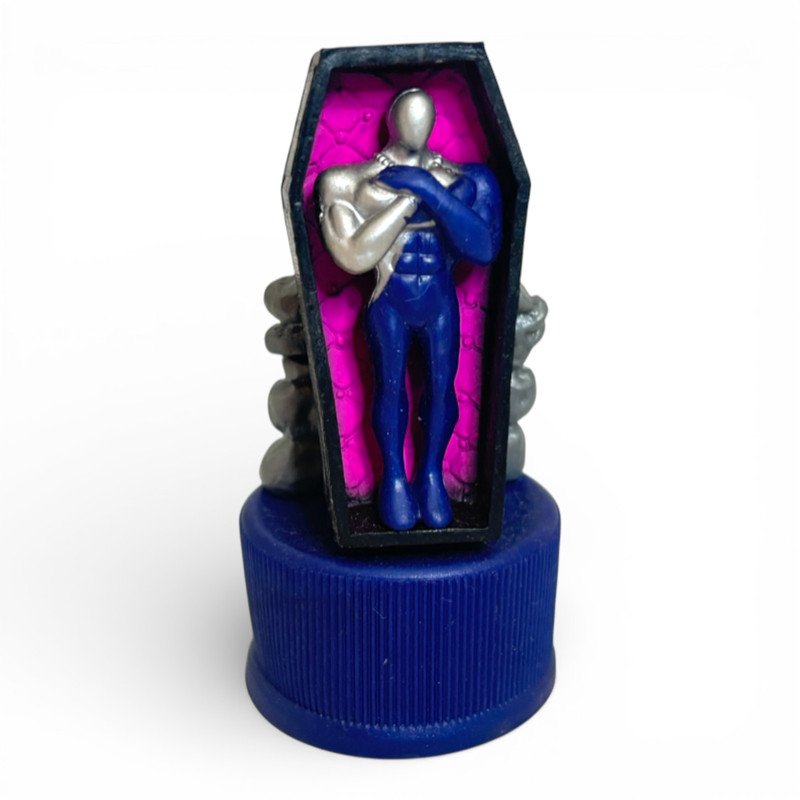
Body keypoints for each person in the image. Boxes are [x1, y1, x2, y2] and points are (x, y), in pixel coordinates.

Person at [316, 88, 502, 531]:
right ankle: (395, 479)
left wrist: (425, 187)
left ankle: (431, 474)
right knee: (390, 389)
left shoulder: (461, 178)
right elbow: (354, 255)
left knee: (441, 390)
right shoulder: (354, 182)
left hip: (440, 301)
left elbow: (483, 246)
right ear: (393, 121)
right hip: (389, 299)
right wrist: (416, 196)